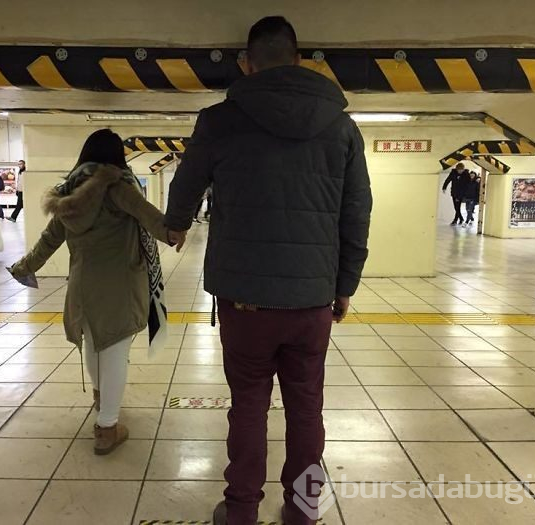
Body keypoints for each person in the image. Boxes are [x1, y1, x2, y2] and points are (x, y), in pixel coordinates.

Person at [165, 16, 372, 525]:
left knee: (249, 406)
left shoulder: (219, 120)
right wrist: (345, 286)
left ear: (246, 63)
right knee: (306, 409)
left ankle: (240, 512)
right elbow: (356, 211)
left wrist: (176, 224)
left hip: (245, 302)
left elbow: (186, 185)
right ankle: (302, 510)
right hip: (311, 301)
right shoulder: (342, 127)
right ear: (300, 61)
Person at [9, 130, 184, 455]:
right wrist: (173, 233)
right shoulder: (118, 186)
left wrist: (25, 266)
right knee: (115, 350)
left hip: (82, 283)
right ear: (116, 156)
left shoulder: (68, 194)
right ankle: (107, 428)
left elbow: (50, 238)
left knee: (93, 342)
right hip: (117, 284)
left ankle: (102, 397)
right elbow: (148, 215)